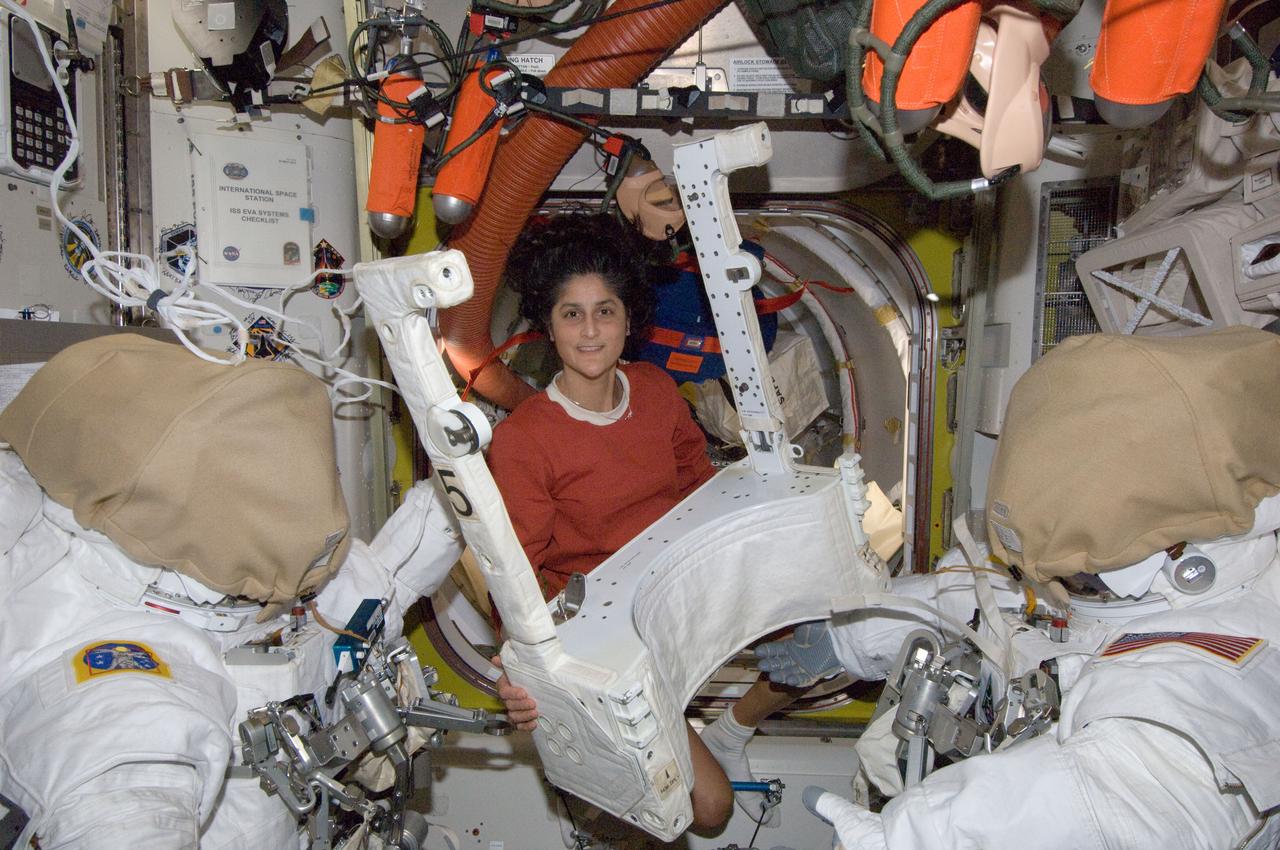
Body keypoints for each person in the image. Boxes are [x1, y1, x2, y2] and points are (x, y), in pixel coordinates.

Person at [754, 327, 1280, 848]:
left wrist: (921, 838)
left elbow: (1123, 804)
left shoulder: (1219, 675)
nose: (1062, 583)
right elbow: (993, 594)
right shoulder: (1113, 572)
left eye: (1077, 574)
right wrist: (850, 637)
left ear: (1173, 556)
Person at [0, 334, 463, 848]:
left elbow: (382, 588)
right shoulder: (124, 690)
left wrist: (463, 493)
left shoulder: (265, 581)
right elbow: (124, 804)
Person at [484, 213, 798, 830]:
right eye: (571, 313)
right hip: (602, 642)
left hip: (677, 600)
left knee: (820, 641)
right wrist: (516, 676)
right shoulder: (525, 440)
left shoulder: (655, 389)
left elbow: (698, 488)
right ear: (548, 326)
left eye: (606, 310)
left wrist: (762, 544)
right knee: (708, 810)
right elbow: (516, 577)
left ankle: (726, 728)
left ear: (630, 320)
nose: (591, 330)